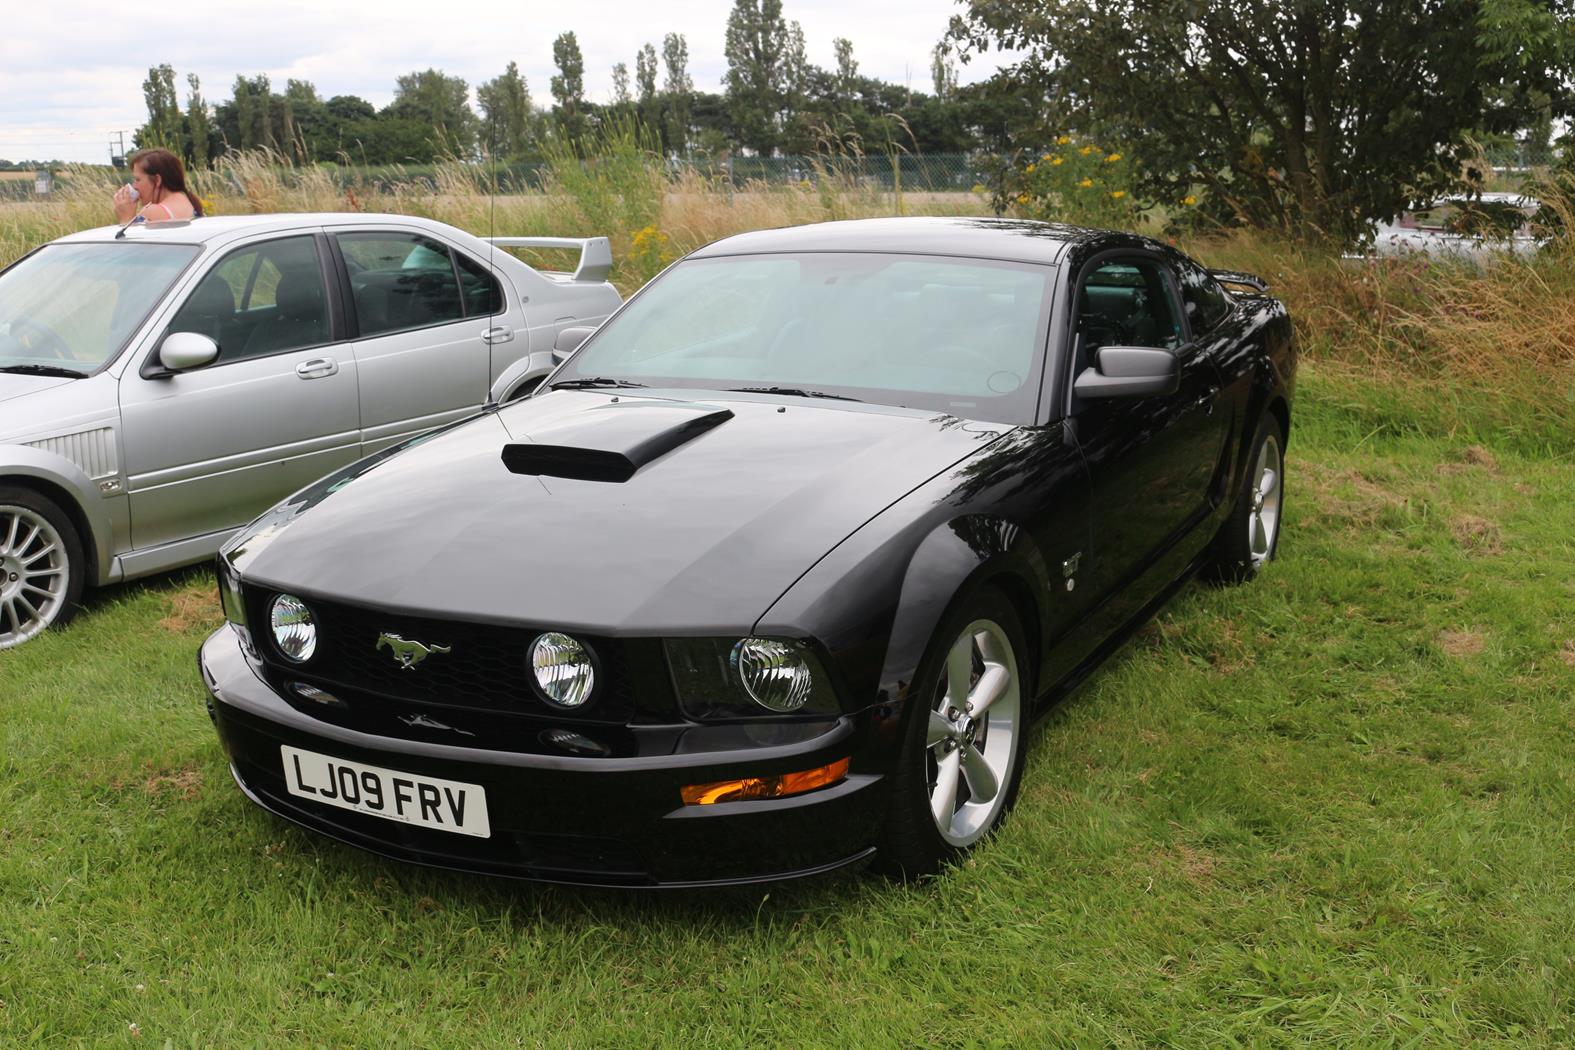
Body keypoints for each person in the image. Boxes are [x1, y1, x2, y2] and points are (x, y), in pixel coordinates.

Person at [112, 148, 204, 224]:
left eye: (137, 180)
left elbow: (134, 241)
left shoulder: (151, 212)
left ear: (157, 180)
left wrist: (126, 219)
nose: (134, 186)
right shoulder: (189, 201)